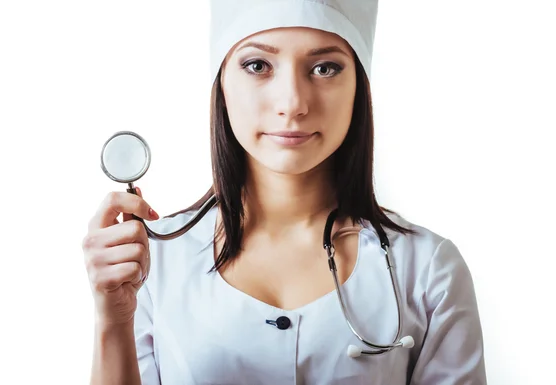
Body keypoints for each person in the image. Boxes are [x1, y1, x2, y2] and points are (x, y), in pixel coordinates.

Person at [82, 1, 487, 384]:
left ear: (358, 87)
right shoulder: (151, 263)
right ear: (221, 81)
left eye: (325, 68)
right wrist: (113, 319)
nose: (292, 103)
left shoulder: (429, 271)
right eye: (258, 65)